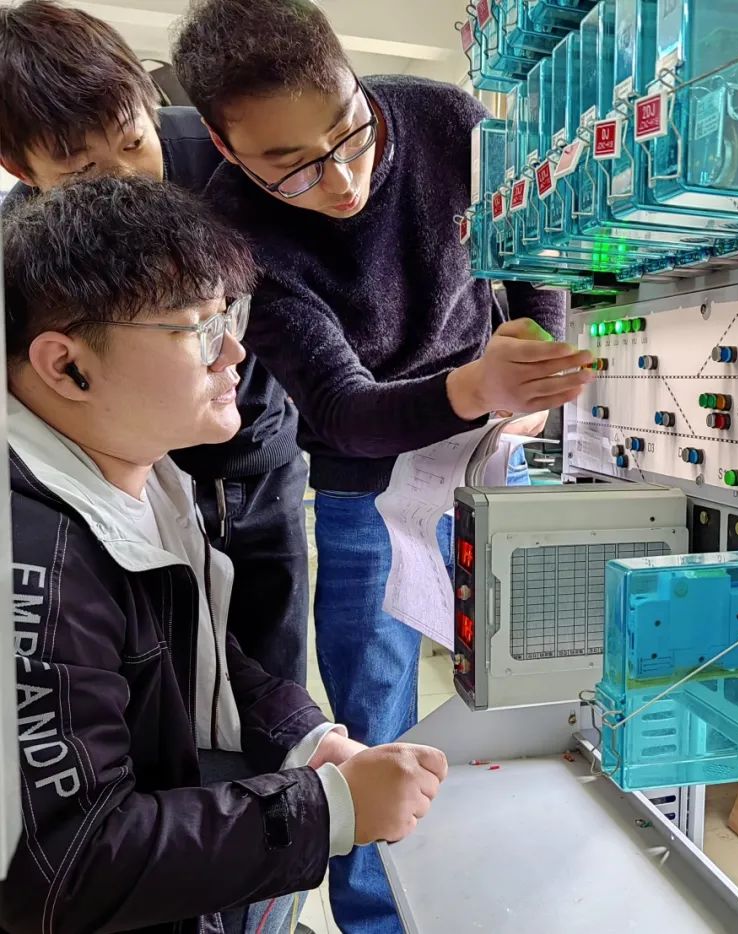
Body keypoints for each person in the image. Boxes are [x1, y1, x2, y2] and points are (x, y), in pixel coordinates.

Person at [171, 2, 592, 929]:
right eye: (293, 165)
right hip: (369, 481)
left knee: (525, 684)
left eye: (349, 132)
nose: (343, 179)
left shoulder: (445, 120)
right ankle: (379, 917)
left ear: (357, 82)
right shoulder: (233, 232)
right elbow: (339, 408)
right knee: (375, 716)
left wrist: (536, 351)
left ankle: (513, 882)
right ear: (227, 147)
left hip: (491, 451)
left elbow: (537, 243)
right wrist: (475, 386)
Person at [0, 174, 448, 934]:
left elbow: (200, 654)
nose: (236, 352)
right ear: (66, 365)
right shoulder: (34, 557)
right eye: (199, 329)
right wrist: (327, 811)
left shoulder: (145, 473)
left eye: (229, 314)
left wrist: (308, 739)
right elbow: (59, 868)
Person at [0, 0, 310, 689]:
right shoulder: (21, 255)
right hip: (127, 492)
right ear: (18, 165)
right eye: (81, 169)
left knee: (270, 671)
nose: (126, 179)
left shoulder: (229, 161)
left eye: (134, 142)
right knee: (163, 678)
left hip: (257, 460)